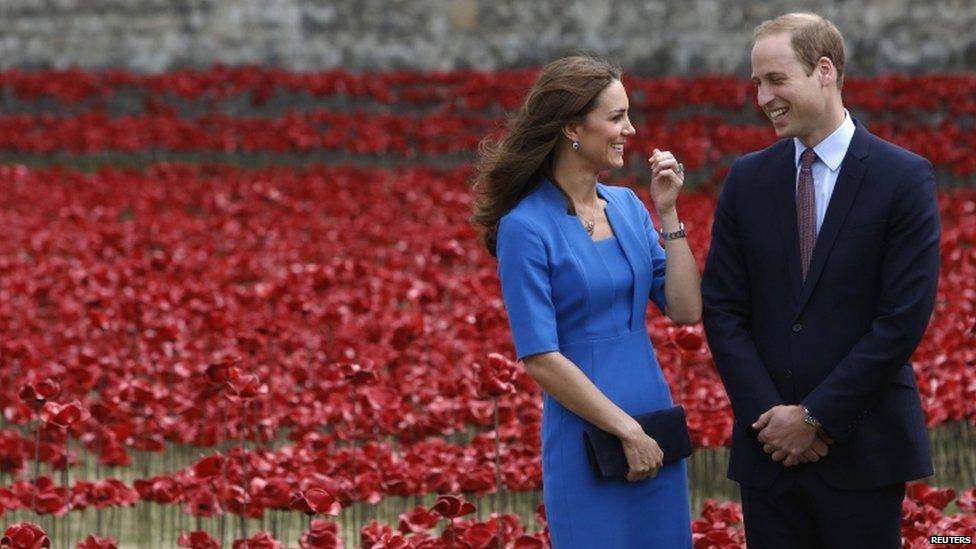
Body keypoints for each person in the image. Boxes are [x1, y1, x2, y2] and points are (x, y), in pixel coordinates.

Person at [702, 12, 939, 549]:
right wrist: (774, 422)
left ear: (824, 71)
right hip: (769, 458)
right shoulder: (747, 179)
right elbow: (722, 309)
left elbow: (901, 320)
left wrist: (815, 417)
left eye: (776, 79)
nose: (763, 97)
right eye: (757, 83)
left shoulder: (903, 178)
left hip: (864, 450)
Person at [472, 55, 701, 548]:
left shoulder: (628, 205)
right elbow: (540, 357)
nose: (631, 130)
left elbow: (684, 309)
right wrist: (626, 432)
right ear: (572, 127)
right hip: (588, 434)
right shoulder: (524, 227)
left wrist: (669, 214)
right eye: (616, 117)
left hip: (654, 423)